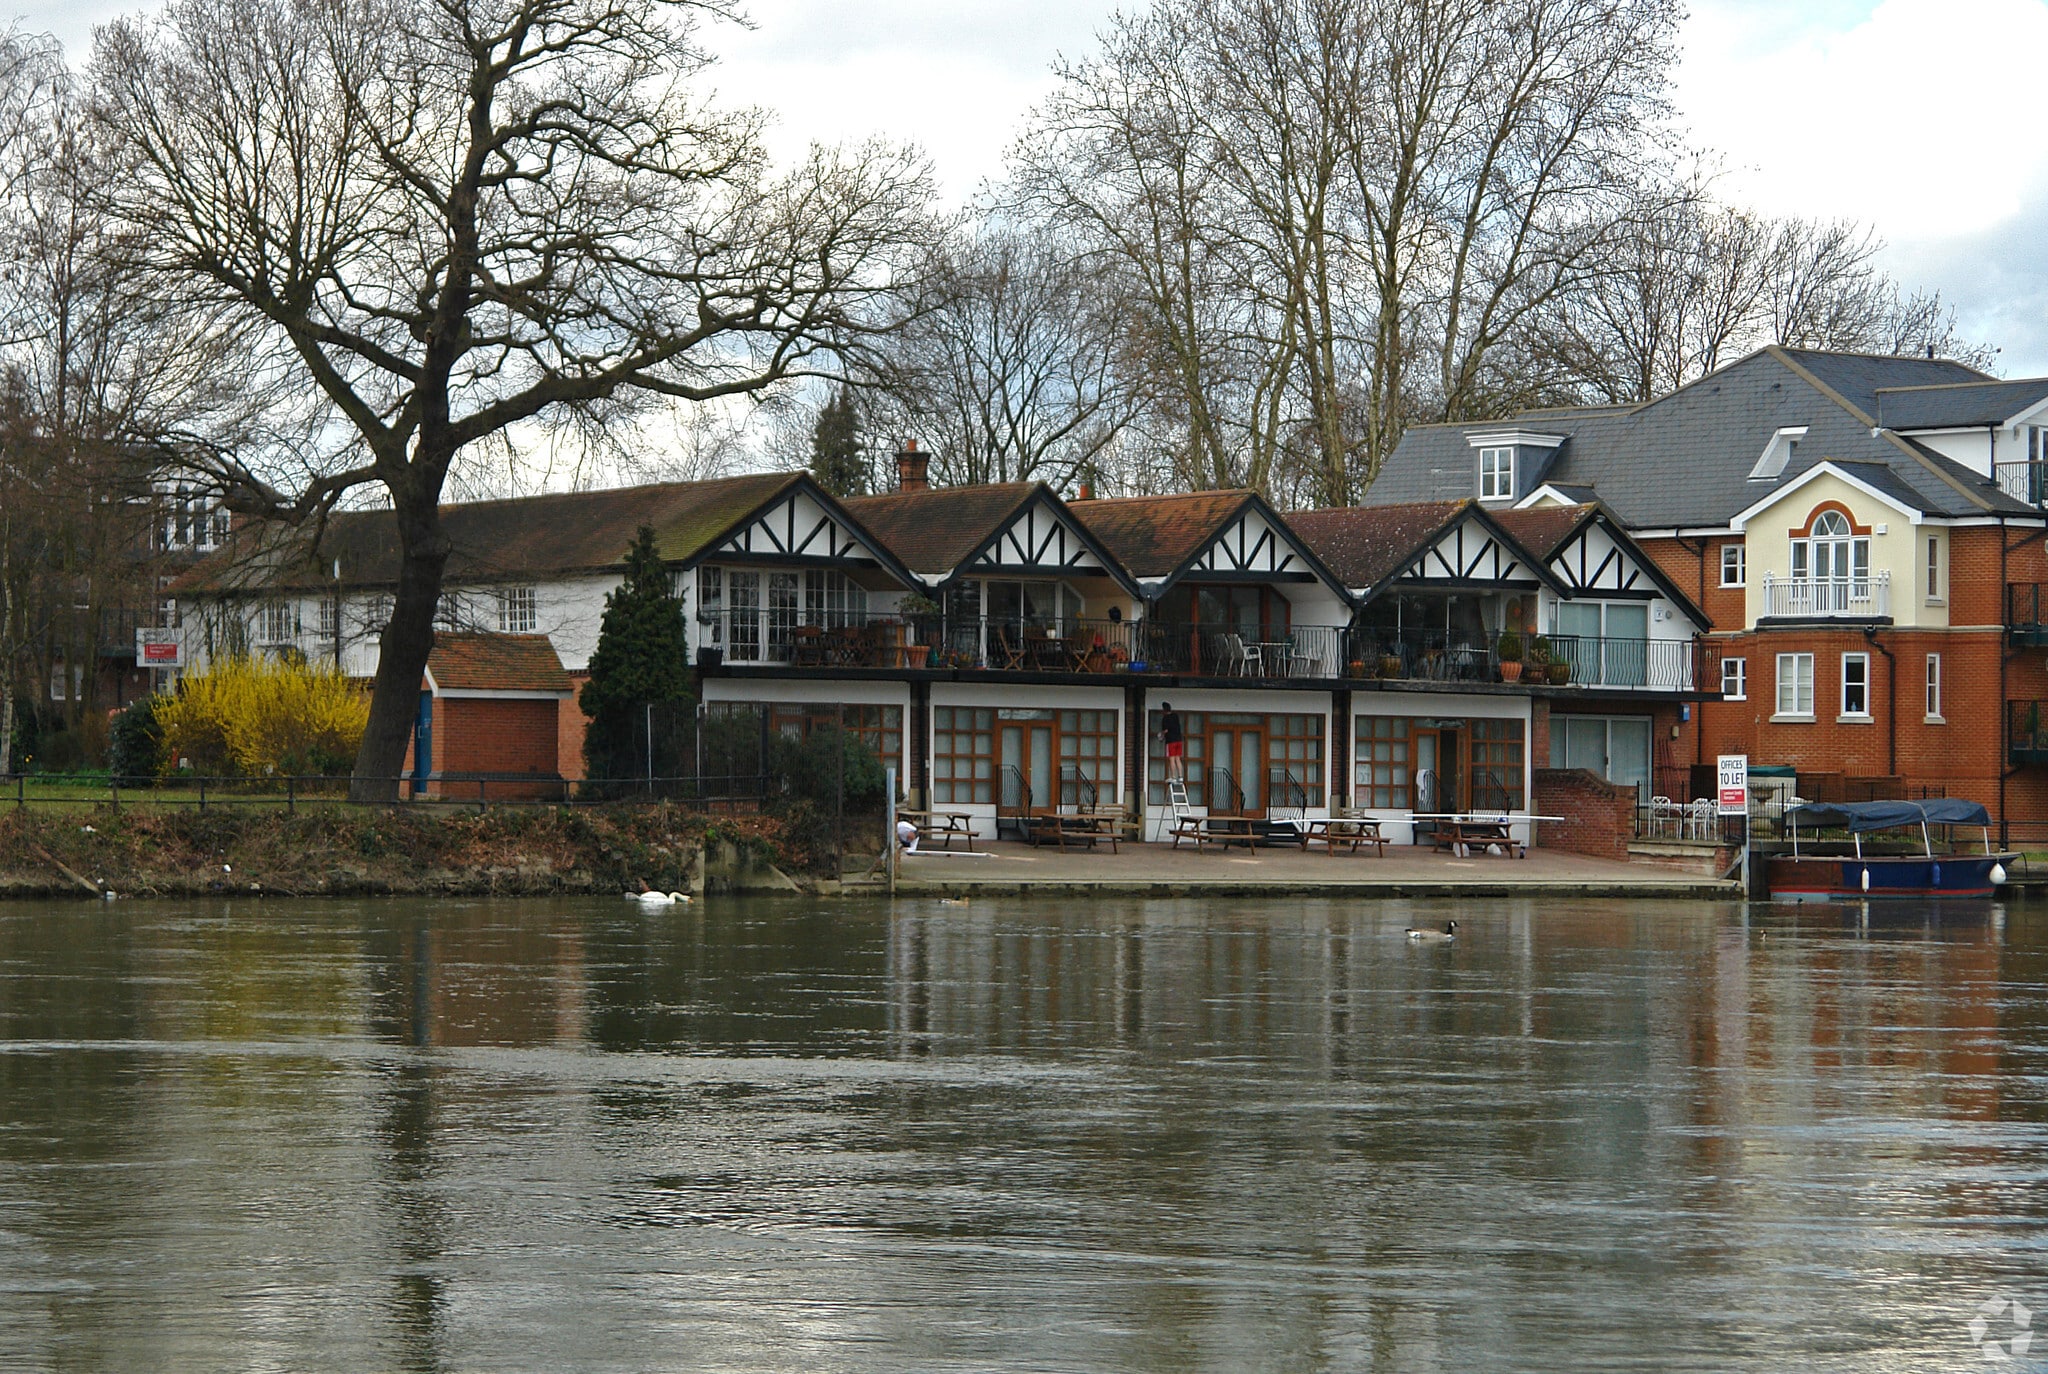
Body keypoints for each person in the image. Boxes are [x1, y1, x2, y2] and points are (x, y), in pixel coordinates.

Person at [1158, 702, 1185, 782]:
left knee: (1172, 759)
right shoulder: (1175, 716)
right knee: (1178, 759)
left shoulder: (1165, 718)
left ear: (1164, 710)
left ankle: (1173, 777)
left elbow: (1165, 730)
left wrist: (1161, 734)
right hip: (1179, 740)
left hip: (1171, 741)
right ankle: (1180, 777)